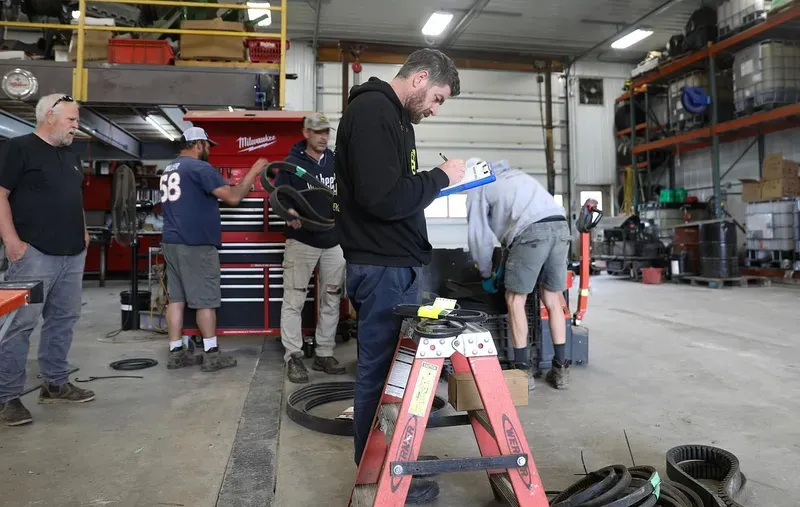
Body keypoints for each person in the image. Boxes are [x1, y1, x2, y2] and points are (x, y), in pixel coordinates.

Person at [334, 48, 465, 504]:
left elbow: (393, 194)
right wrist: (441, 178)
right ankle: (382, 481)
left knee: (396, 376)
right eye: (438, 98)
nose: (434, 108)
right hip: (384, 269)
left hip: (396, 264)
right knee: (383, 376)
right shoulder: (373, 112)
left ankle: (392, 468)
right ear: (421, 78)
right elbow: (381, 198)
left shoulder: (394, 118)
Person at [0, 93, 94, 427]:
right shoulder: (19, 148)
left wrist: (83, 232)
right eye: (71, 119)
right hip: (34, 253)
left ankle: (55, 383)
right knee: (19, 323)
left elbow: (75, 197)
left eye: (77, 120)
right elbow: (1, 195)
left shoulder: (71, 155)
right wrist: (11, 241)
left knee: (64, 319)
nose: (75, 125)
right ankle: (8, 397)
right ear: (50, 116)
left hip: (72, 253)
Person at [160, 127, 268, 372]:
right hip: (195, 244)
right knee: (205, 301)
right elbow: (232, 197)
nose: (210, 150)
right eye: (208, 145)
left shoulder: (170, 168)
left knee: (176, 300)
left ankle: (176, 353)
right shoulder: (199, 168)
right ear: (198, 144)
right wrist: (254, 171)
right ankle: (211, 354)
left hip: (171, 243)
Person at [466, 160, 572, 391]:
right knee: (553, 299)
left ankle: (522, 372)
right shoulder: (515, 176)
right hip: (560, 227)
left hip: (530, 234)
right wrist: (504, 263)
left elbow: (479, 236)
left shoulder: (478, 186)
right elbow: (518, 226)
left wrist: (486, 273)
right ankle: (561, 369)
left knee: (515, 300)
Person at [277, 113, 347, 383]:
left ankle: (324, 353)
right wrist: (289, 212)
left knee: (331, 299)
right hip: (302, 241)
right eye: (317, 132)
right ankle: (293, 356)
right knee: (294, 300)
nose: (323, 137)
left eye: (326, 132)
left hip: (333, 242)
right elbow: (280, 197)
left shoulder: (336, 162)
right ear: (306, 132)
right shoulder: (291, 164)